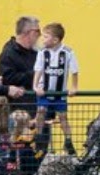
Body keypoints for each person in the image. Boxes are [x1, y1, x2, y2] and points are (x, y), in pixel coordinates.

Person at [32, 22, 79, 156]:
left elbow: (74, 71)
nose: (43, 39)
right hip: (45, 91)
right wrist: (36, 86)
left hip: (60, 93)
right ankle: (39, 137)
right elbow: (38, 70)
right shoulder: (42, 52)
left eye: (46, 37)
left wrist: (74, 87)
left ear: (55, 40)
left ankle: (68, 141)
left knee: (63, 116)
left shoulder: (68, 52)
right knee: (40, 111)